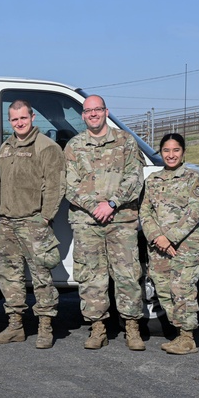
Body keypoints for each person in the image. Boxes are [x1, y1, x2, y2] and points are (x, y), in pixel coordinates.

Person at [64, 95, 145, 350]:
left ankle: (132, 328)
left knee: (127, 275)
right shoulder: (74, 146)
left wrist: (111, 204)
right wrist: (94, 207)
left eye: (97, 109)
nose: (93, 114)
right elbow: (70, 185)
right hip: (87, 222)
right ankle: (97, 328)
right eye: (88, 111)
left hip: (121, 220)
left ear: (106, 112)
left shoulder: (125, 141)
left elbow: (134, 177)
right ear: (83, 116)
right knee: (91, 276)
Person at [0, 100, 65, 348]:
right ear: (9, 121)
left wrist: (45, 217)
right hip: (7, 222)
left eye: (23, 118)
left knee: (41, 276)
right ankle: (15, 326)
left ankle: (45, 327)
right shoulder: (6, 147)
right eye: (14, 119)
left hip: (33, 221)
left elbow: (55, 186)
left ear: (32, 117)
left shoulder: (46, 147)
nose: (19, 123)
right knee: (8, 275)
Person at [141, 133, 199, 355]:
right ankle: (179, 333)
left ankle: (188, 338)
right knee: (163, 290)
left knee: (182, 290)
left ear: (183, 152)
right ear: (161, 153)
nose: (171, 155)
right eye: (166, 151)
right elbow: (145, 212)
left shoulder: (193, 179)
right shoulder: (152, 180)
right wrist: (157, 237)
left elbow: (194, 213)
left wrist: (169, 237)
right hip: (158, 247)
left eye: (176, 150)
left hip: (185, 247)